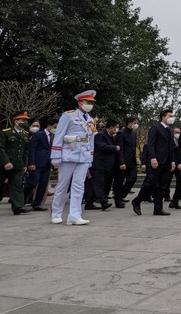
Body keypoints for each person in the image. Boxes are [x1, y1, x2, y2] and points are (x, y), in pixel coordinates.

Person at [51, 90, 97, 226]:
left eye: (92, 103)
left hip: (83, 155)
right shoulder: (68, 116)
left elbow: (91, 140)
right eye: (88, 102)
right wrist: (56, 156)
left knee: (79, 186)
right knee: (62, 185)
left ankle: (75, 215)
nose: (90, 105)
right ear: (80, 102)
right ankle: (56, 213)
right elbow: (59, 136)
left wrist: (90, 158)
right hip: (69, 154)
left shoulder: (90, 120)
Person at [0, 112, 33, 217]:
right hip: (3, 165)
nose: (25, 122)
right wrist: (6, 162)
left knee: (17, 186)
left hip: (18, 164)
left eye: (26, 121)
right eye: (22, 120)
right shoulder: (6, 132)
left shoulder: (25, 134)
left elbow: (25, 151)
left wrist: (24, 164)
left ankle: (18, 207)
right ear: (15, 121)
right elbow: (0, 148)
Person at [131, 110, 175, 216]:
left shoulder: (169, 130)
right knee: (150, 183)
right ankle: (137, 201)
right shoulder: (155, 128)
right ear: (163, 117)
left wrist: (173, 160)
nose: (172, 118)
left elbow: (171, 147)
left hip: (166, 162)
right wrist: (153, 158)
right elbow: (150, 144)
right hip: (156, 161)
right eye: (170, 116)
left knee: (162, 185)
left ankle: (158, 209)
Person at [25, 117, 57, 211]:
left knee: (43, 184)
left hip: (47, 163)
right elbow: (32, 149)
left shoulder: (54, 136)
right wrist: (31, 162)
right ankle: (20, 200)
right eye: (54, 127)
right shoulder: (39, 135)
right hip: (37, 162)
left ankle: (37, 204)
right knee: (32, 182)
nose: (55, 129)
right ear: (49, 126)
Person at [88, 119, 119, 211]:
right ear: (111, 127)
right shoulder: (100, 135)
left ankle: (89, 203)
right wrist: (115, 147)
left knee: (96, 184)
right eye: (116, 127)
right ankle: (103, 201)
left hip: (107, 165)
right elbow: (102, 146)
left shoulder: (111, 136)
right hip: (99, 164)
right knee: (99, 184)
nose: (116, 130)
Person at [114, 116, 138, 207]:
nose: (135, 125)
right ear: (129, 123)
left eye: (136, 123)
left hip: (132, 161)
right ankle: (118, 200)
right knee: (119, 181)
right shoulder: (121, 133)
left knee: (133, 178)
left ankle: (121, 195)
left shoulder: (133, 134)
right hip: (123, 161)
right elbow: (120, 148)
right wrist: (121, 162)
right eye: (134, 123)